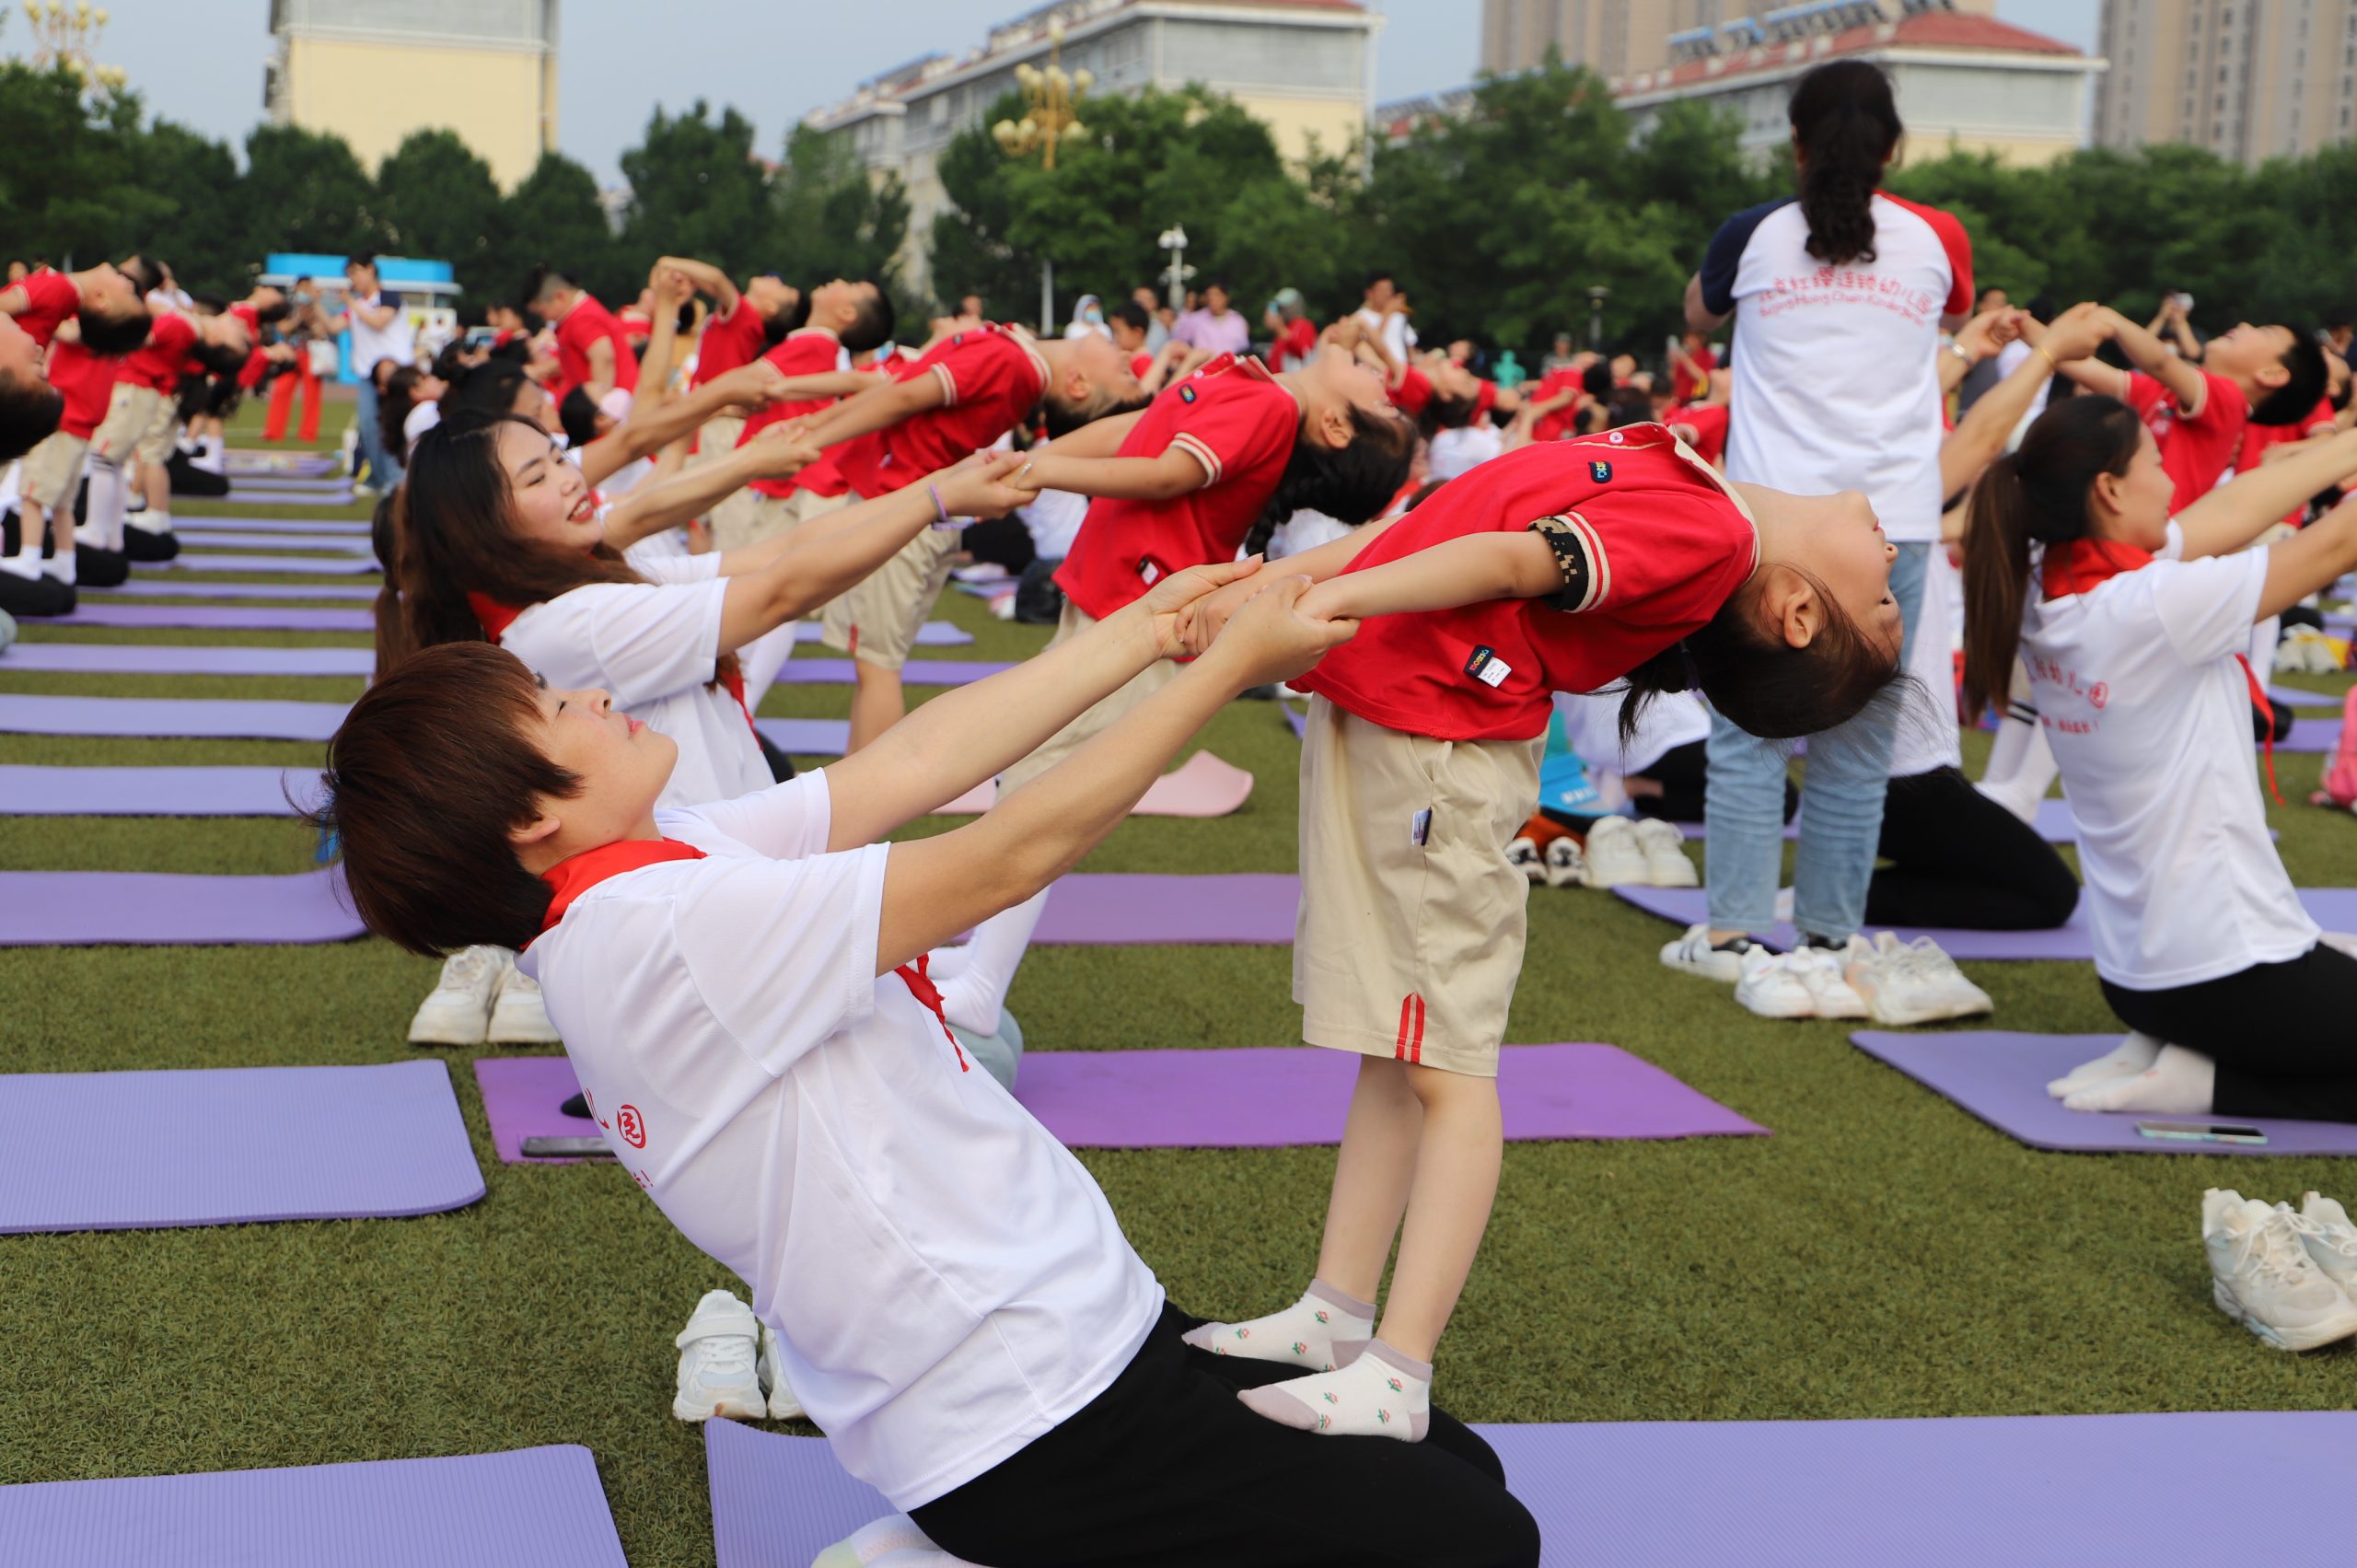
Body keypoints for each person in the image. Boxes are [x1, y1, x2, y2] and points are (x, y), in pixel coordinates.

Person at [311, 588, 1541, 1567]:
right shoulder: (657, 932)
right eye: (551, 706)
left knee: (1458, 1464)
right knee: (1485, 1543)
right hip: (1038, 1426)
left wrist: (1150, 632)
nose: (588, 692)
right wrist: (1219, 672)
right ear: (528, 817)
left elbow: (913, 764)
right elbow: (1010, 853)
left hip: (1079, 1354)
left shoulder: (649, 870)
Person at [1172, 427, 1904, 1438]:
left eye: (1881, 603)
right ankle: (1333, 1313)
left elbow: (1513, 558)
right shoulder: (1702, 496)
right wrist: (1278, 586)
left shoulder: (1704, 532)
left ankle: (1397, 1369)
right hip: (1398, 723)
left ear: (1796, 611)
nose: (1895, 564)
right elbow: (1432, 525)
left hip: (1438, 753)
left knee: (1445, 1066)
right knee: (1397, 1048)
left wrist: (1318, 600)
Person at [1666, 59, 1972, 1017]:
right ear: (1892, 148)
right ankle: (1830, 938)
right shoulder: (1936, 239)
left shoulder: (1750, 236)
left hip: (1768, 521)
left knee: (1745, 729)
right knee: (1856, 738)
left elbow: (1695, 314)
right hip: (1894, 526)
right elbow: (1956, 314)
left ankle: (1730, 934)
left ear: (1794, 144)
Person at [1963, 399, 2357, 1126]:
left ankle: (2191, 1055)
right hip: (2232, 975)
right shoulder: (2151, 606)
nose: (2172, 480)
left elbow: (2232, 509)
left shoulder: (2052, 588)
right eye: (2155, 461)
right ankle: (2215, 1086)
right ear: (2110, 490)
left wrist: (2342, 449)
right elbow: (2333, 549)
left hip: (2140, 983)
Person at [772, 319, 1147, 753]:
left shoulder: (1012, 363)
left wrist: (809, 439)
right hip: (915, 513)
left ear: (1078, 384)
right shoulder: (1018, 358)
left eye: (1126, 373)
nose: (1126, 357)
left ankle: (854, 804)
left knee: (877, 666)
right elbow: (899, 388)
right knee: (877, 665)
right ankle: (852, 798)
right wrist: (809, 429)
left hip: (900, 512)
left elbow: (904, 396)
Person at [2049, 308, 2328, 514]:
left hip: (2146, 539)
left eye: (2264, 331)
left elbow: (2160, 363)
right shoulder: (2166, 393)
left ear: (2271, 374)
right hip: (2122, 524)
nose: (2244, 324)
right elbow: (2082, 366)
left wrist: (2114, 321)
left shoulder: (2231, 402)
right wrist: (2026, 329)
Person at [725, 278, 896, 549]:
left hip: (775, 479)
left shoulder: (814, 344)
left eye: (850, 286)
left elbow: (745, 383)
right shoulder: (813, 345)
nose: (838, 281)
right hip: (779, 477)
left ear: (847, 314)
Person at [331, 254, 416, 494]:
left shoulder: (388, 297)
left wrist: (351, 302)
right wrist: (313, 305)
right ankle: (378, 479)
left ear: (370, 270)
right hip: (369, 375)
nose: (352, 279)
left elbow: (379, 323)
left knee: (393, 427)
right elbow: (332, 327)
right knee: (368, 427)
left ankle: (395, 479)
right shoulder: (357, 306)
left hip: (395, 375)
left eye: (356, 272)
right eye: (349, 275)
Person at [530, 266, 641, 415]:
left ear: (560, 297)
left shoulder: (581, 318)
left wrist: (599, 409)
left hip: (613, 412)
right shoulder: (579, 315)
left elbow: (603, 358)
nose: (545, 318)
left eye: (543, 312)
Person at [1170, 281, 1250, 357]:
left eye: (1216, 295)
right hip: (1202, 365)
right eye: (1209, 295)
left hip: (1228, 364)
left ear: (1226, 297)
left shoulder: (1237, 320)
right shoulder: (1196, 318)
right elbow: (1178, 339)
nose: (1212, 299)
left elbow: (1243, 347)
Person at [1263, 287, 1318, 372]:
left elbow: (1304, 353)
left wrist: (1280, 328)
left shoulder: (1304, 325)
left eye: (1284, 307)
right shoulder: (1286, 326)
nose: (1282, 310)